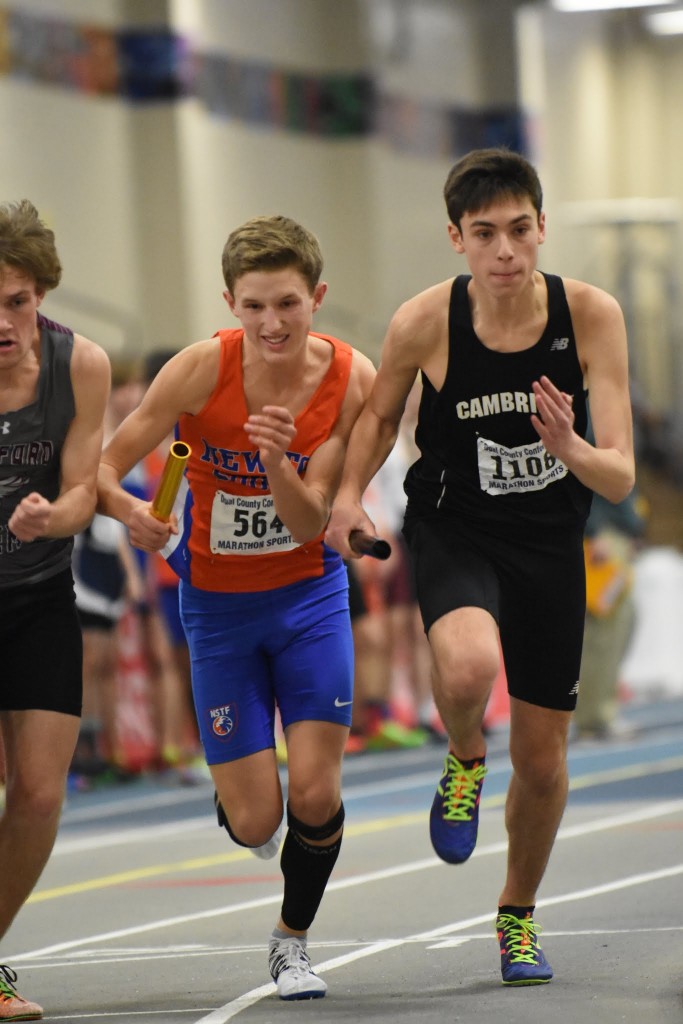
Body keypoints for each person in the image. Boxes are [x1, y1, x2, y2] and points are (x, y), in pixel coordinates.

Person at [325, 147, 635, 986]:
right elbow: (379, 416)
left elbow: (620, 472)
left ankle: (517, 915)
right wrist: (349, 496)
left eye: (520, 231)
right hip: (455, 528)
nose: (506, 251)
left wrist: (570, 446)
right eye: (485, 234)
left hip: (547, 546)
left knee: (540, 762)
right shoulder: (424, 321)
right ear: (456, 238)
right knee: (466, 668)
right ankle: (463, 757)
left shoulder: (592, 316)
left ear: (542, 228)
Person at [97, 215, 375, 1000]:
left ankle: (291, 941)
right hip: (216, 608)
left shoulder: (350, 380)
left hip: (308, 596)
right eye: (253, 306)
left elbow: (309, 520)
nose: (271, 324)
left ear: (316, 298)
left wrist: (272, 461)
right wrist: (131, 512)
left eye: (287, 303)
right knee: (256, 821)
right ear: (229, 302)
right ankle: (243, 808)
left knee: (316, 793)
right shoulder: (196, 371)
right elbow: (107, 468)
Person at [0, 199, 110, 1019]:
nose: (3, 321)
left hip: (39, 592)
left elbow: (82, 489)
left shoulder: (80, 365)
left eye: (15, 301)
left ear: (40, 293)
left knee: (38, 794)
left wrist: (52, 516)